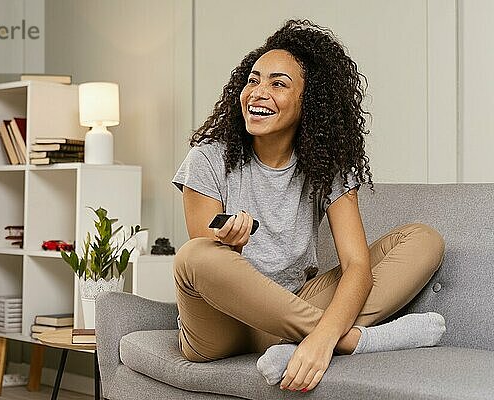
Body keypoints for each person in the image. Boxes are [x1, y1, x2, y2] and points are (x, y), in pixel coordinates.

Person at [171, 19, 446, 393]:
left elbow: (356, 266)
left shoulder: (325, 169)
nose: (258, 92)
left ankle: (306, 342)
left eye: (278, 84)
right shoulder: (207, 160)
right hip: (220, 327)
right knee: (194, 255)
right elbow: (210, 267)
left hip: (291, 307)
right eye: (253, 80)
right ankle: (354, 341)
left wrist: (319, 338)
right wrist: (231, 248)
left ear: (309, 102)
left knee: (423, 239)